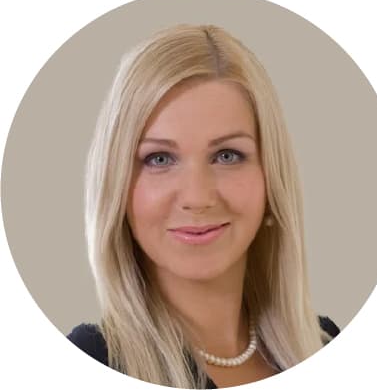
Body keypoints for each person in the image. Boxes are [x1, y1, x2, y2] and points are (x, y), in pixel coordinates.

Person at [67, 24, 340, 388]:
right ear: (115, 185)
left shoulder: (326, 345)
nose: (197, 197)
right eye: (159, 159)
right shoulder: (84, 364)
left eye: (227, 155)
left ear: (271, 177)